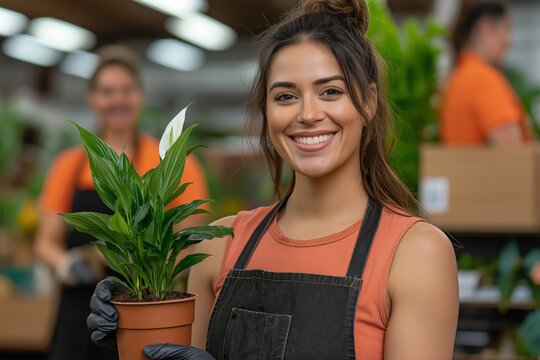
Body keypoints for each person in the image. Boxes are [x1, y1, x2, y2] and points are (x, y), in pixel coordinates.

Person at [88, 1, 459, 359]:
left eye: (331, 91)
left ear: (370, 100)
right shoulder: (218, 250)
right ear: (266, 112)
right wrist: (138, 316)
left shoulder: (414, 254)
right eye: (285, 96)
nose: (308, 114)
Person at [35, 46, 209, 360]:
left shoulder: (169, 160)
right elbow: (45, 242)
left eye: (126, 90)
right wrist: (66, 265)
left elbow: (190, 238)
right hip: (78, 312)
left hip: (146, 309)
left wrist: (130, 259)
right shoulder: (69, 164)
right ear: (92, 98)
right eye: (107, 91)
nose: (117, 100)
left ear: (140, 96)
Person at [440, 0, 534, 146]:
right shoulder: (482, 79)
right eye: (506, 28)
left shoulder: (455, 79)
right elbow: (514, 156)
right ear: (485, 27)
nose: (508, 42)